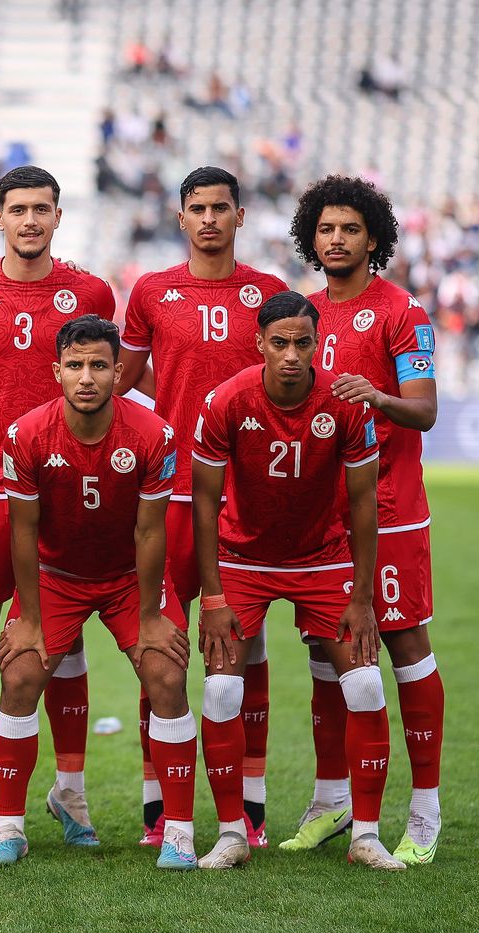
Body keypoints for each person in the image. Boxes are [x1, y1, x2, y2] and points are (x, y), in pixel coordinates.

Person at [0, 165, 117, 848]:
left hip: (65, 484)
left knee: (62, 645)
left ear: (58, 216)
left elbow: (106, 386)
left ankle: (69, 789)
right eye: (18, 209)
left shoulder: (91, 291)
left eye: (42, 209)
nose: (30, 220)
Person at [190, 292, 401, 870]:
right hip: (242, 559)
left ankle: (365, 836)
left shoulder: (345, 401)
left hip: (322, 558)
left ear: (316, 344)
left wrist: (362, 596)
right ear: (259, 343)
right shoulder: (228, 400)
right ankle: (232, 833)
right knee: (221, 690)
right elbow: (203, 503)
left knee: (363, 685)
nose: (290, 355)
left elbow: (363, 503)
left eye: (301, 343)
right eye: (278, 343)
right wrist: (211, 596)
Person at [115, 166, 290, 847]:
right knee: (157, 647)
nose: (210, 218)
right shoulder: (153, 292)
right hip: (170, 496)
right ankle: (159, 805)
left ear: (241, 216)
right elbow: (122, 379)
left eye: (222, 207)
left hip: (249, 501)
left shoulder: (269, 295)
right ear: (179, 217)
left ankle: (249, 805)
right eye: (198, 208)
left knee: (244, 654)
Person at [0, 315, 198, 869]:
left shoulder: (153, 434)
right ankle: (10, 827)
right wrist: (28, 617)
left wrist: (151, 615)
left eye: (99, 365)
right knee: (20, 673)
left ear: (118, 371)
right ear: (56, 371)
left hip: (130, 579)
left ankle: (178, 830)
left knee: (168, 675)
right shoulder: (26, 433)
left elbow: (151, 531)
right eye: (75, 365)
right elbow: (24, 531)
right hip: (56, 578)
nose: (87, 377)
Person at [289, 174, 445, 866]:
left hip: (388, 510)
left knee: (405, 646)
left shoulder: (401, 311)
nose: (337, 239)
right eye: (326, 229)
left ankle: (425, 810)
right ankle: (331, 799)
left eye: (350, 228)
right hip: (320, 515)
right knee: (327, 652)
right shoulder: (302, 316)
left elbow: (425, 409)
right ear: (310, 238)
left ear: (373, 238)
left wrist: (376, 395)